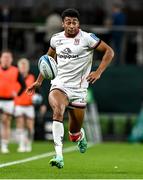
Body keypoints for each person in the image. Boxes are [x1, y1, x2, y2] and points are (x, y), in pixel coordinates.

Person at [27, 8, 114, 168]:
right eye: (68, 22)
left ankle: (79, 136)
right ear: (63, 23)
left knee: (74, 132)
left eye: (74, 22)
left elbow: (109, 51)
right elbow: (48, 59)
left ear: (78, 23)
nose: (72, 25)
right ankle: (58, 156)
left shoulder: (87, 38)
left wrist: (98, 72)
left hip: (79, 90)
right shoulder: (56, 39)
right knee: (58, 110)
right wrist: (39, 81)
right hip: (59, 85)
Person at [0, 50, 26, 153]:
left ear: (11, 59)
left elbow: (23, 85)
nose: (6, 59)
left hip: (9, 101)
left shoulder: (15, 70)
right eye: (4, 57)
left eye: (8, 57)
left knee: (6, 121)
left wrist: (17, 94)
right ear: (1, 59)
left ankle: (4, 145)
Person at [14, 58, 35, 152]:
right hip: (18, 104)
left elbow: (37, 90)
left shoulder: (32, 77)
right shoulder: (15, 77)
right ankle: (22, 144)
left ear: (27, 67)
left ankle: (29, 143)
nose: (23, 68)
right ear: (19, 67)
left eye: (25, 66)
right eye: (21, 66)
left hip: (29, 105)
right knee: (20, 124)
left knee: (30, 126)